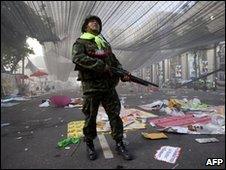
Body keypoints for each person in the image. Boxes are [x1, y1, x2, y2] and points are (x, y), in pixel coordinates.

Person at [72, 15, 133, 161]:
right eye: (92, 22)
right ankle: (90, 144)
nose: (95, 23)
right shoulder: (81, 42)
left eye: (98, 22)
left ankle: (119, 143)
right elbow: (78, 58)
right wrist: (102, 66)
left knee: (115, 116)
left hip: (108, 87)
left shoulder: (104, 44)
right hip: (91, 87)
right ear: (86, 26)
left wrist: (123, 72)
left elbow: (114, 62)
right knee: (90, 117)